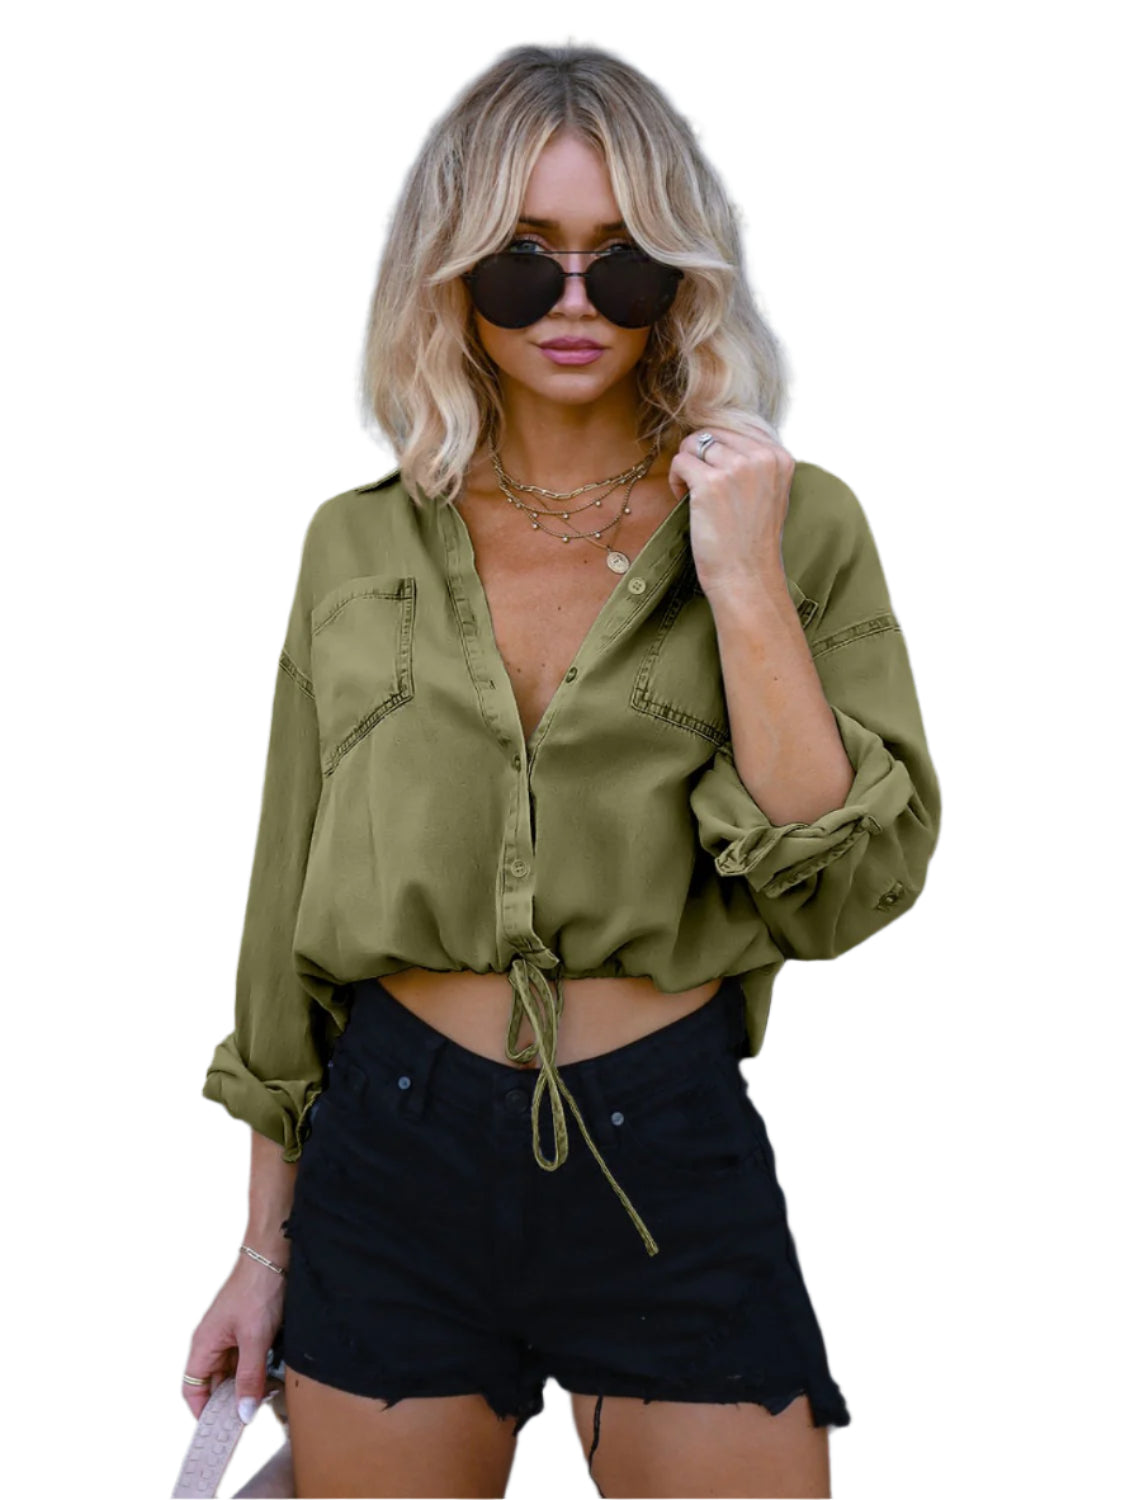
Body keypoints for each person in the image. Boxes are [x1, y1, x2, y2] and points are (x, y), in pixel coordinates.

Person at [183, 42, 941, 1499]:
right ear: (451, 273)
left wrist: (741, 575)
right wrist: (259, 1250)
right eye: (526, 260)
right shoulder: (355, 545)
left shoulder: (793, 521)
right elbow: (287, 911)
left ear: (684, 276)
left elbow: (839, 887)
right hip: (391, 1149)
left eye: (624, 261)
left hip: (664, 1143)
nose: (577, 302)